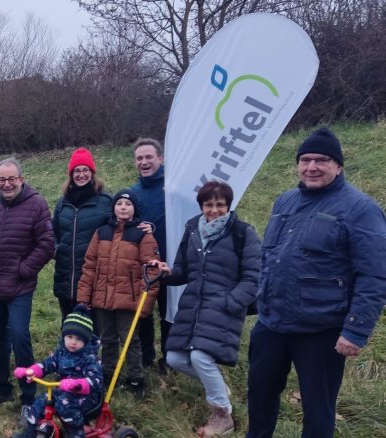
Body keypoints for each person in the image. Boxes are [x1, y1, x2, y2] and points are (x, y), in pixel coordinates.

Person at [246, 128, 386, 438]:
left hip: (320, 330)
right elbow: (272, 258)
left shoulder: (361, 209)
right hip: (272, 324)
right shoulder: (285, 201)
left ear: (338, 165)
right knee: (259, 396)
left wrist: (355, 330)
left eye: (322, 160)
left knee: (318, 408)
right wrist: (259, 298)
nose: (312, 167)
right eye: (305, 159)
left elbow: (375, 274)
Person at [154, 180, 260, 436]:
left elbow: (255, 277)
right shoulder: (192, 229)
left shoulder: (243, 233)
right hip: (193, 306)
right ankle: (219, 389)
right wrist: (168, 272)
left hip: (223, 307)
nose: (214, 210)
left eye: (220, 204)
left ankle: (223, 415)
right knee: (175, 358)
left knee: (201, 357)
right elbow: (184, 270)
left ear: (228, 205)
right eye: (208, 204)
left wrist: (232, 303)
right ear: (201, 205)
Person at [0, 158, 55, 423]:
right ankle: (2, 390)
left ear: (21, 179)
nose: (7, 184)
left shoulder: (37, 205)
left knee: (20, 337)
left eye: (12, 179)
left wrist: (24, 269)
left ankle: (29, 398)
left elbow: (46, 244)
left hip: (19, 286)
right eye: (2, 180)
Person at [77, 189, 159, 398]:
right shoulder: (102, 232)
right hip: (102, 299)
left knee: (130, 340)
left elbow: (151, 270)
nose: (123, 207)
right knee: (107, 339)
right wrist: (84, 297)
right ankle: (107, 373)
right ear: (114, 207)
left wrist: (145, 303)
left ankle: (135, 378)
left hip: (129, 301)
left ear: (134, 209)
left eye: (128, 204)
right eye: (119, 204)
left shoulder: (143, 235)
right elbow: (89, 266)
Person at [11, 304, 104, 438]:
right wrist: (31, 371)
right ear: (64, 336)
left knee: (64, 404)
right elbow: (48, 364)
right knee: (39, 404)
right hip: (62, 390)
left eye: (79, 339)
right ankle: (29, 433)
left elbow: (96, 380)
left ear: (86, 341)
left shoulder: (89, 358)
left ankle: (76, 432)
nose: (73, 342)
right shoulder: (61, 352)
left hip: (85, 397)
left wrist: (77, 384)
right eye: (70, 337)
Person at [52, 147, 113, 322]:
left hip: (93, 278)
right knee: (68, 326)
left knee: (91, 329)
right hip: (65, 277)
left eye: (85, 170)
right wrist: (56, 249)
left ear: (92, 173)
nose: (81, 175)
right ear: (71, 174)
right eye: (77, 171)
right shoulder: (62, 203)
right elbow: (54, 231)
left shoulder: (106, 201)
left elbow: (116, 231)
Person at [130, 138, 170, 372]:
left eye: (149, 157)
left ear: (160, 159)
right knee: (142, 312)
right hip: (143, 266)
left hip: (170, 262)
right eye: (139, 158)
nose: (144, 162)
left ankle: (169, 358)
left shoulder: (173, 187)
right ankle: (146, 356)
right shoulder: (133, 193)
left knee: (168, 313)